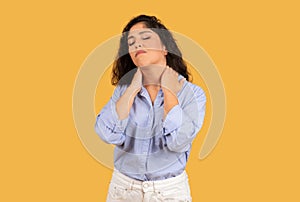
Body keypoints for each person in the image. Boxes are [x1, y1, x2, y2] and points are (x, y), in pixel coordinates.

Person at [95, 14, 206, 202]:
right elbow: (106, 133)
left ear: (164, 48)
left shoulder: (193, 94)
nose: (137, 44)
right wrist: (132, 89)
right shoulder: (123, 91)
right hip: (123, 191)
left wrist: (169, 90)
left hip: (169, 193)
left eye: (145, 37)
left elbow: (178, 142)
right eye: (131, 42)